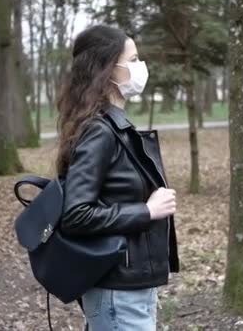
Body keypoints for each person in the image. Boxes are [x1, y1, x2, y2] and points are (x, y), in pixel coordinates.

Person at [55, 24, 180, 330]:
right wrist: (147, 210)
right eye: (134, 60)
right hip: (117, 291)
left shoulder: (115, 127)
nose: (140, 68)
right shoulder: (100, 131)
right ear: (108, 69)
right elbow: (76, 214)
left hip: (128, 288)